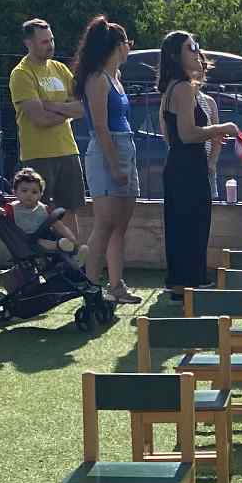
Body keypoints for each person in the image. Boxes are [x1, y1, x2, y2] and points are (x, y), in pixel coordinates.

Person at [157, 31, 236, 296]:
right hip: (188, 165)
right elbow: (187, 133)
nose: (197, 52)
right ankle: (189, 284)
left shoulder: (173, 87)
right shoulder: (183, 88)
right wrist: (221, 128)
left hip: (182, 163)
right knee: (191, 227)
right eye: (190, 48)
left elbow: (171, 134)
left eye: (196, 46)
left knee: (185, 226)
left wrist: (210, 135)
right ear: (175, 55)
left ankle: (185, 283)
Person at [74, 16, 140, 303]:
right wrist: (114, 165)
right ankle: (90, 287)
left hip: (125, 147)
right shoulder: (97, 79)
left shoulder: (116, 77)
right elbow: (100, 127)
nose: (129, 48)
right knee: (104, 224)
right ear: (117, 45)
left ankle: (116, 286)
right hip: (106, 151)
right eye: (127, 43)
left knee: (119, 225)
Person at [8, 19, 86, 212]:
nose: (50, 45)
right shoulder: (21, 73)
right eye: (44, 41)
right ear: (28, 43)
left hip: (68, 150)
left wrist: (52, 106)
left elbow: (83, 108)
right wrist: (67, 110)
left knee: (70, 211)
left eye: (51, 40)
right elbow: (40, 119)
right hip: (38, 155)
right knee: (41, 213)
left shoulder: (60, 69)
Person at [3, 166, 83, 256]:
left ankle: (74, 245)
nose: (29, 195)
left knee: (56, 223)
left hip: (45, 235)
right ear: (15, 192)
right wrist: (0, 211)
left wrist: (69, 237)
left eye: (34, 192)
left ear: (40, 194)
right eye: (24, 191)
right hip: (27, 240)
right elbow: (3, 216)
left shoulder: (43, 208)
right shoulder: (11, 208)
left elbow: (56, 223)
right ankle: (61, 246)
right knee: (41, 242)